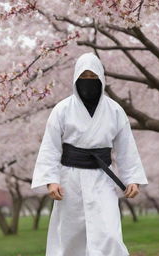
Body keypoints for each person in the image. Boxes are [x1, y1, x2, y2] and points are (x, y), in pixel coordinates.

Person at [30, 52, 149, 256]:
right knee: (70, 236)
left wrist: (133, 179)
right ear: (76, 79)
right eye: (84, 78)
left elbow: (126, 147)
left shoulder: (114, 110)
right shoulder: (62, 109)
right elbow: (50, 147)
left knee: (109, 234)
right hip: (70, 179)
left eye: (93, 78)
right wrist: (51, 180)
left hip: (103, 179)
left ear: (101, 78)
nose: (88, 82)